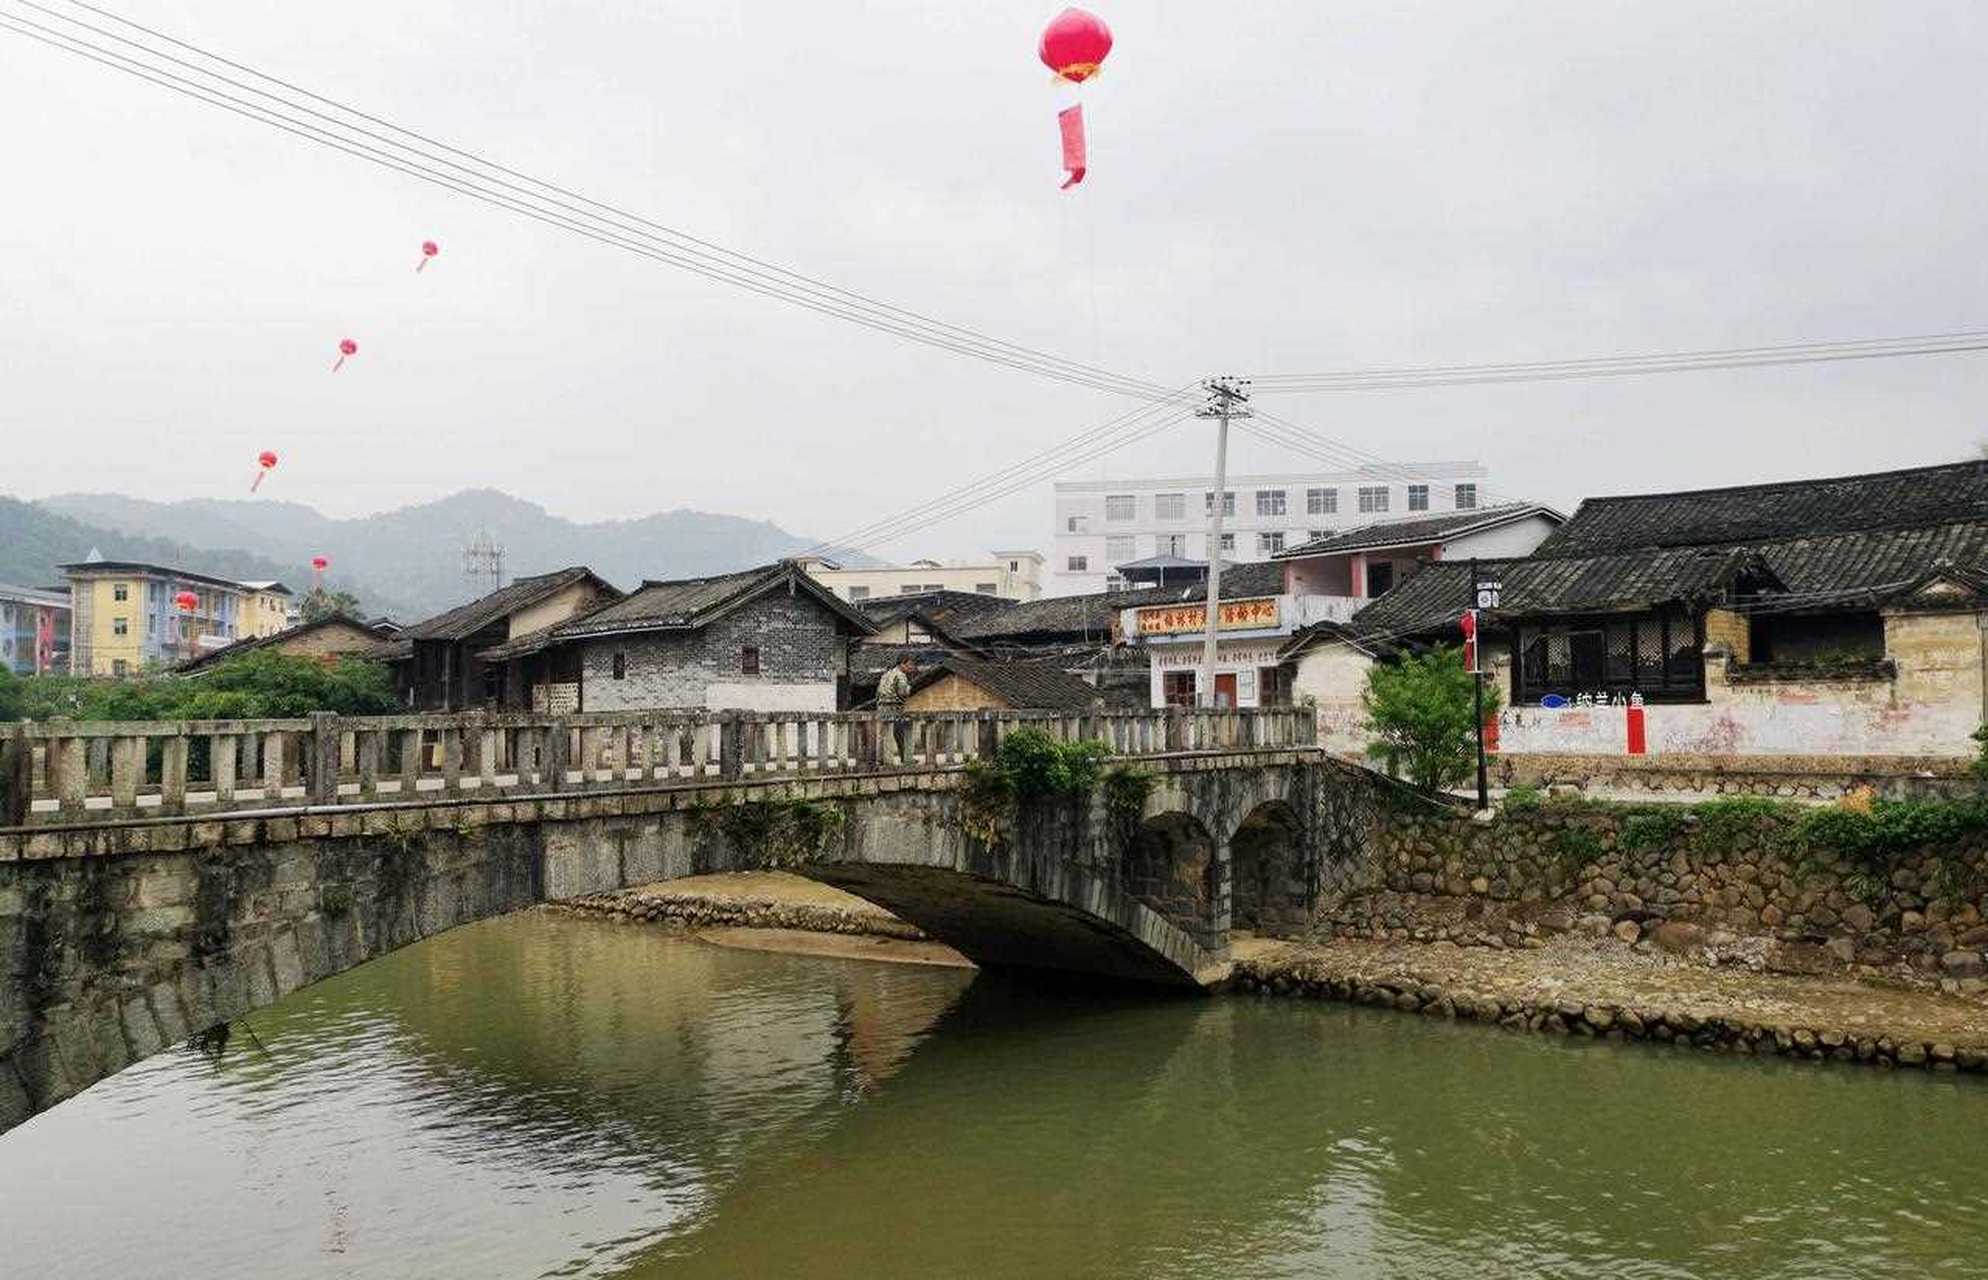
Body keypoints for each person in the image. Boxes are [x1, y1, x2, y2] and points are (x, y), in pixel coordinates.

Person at [875, 652, 916, 764]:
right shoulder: (900, 676)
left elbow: (878, 692)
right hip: (894, 707)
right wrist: (910, 688)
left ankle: (880, 759)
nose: (911, 668)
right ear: (902, 664)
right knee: (899, 733)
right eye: (909, 665)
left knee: (883, 735)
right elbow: (903, 692)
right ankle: (906, 758)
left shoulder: (886, 674)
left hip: (881, 706)